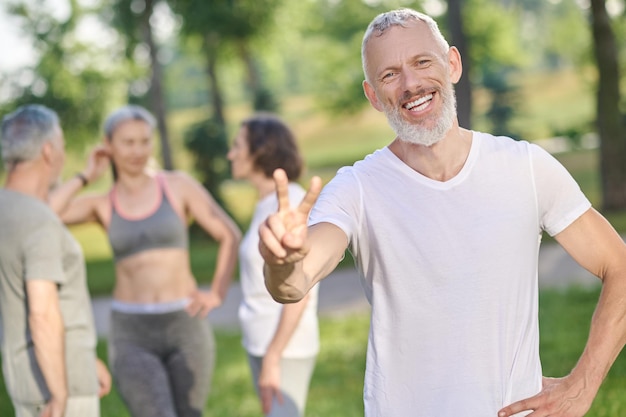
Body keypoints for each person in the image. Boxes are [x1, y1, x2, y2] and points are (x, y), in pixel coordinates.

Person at [258, 8, 626, 417]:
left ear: (452, 63)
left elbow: (620, 265)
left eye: (421, 61)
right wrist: (282, 261)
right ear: (374, 95)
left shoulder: (525, 166)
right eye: (389, 74)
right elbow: (294, 282)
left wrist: (584, 383)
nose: (411, 84)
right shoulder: (356, 188)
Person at [50, 105, 241, 417]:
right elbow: (46, 212)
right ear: (108, 145)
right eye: (128, 142)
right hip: (132, 330)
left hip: (185, 324)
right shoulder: (103, 204)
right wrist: (85, 176)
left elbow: (229, 234)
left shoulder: (177, 186)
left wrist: (217, 292)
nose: (138, 151)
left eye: (144, 141)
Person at [0, 104, 111, 417]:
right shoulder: (38, 221)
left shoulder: (7, 210)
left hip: (23, 379)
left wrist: (85, 359)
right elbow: (42, 311)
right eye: (61, 144)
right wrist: (60, 394)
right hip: (58, 389)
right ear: (48, 150)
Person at [227, 114, 319, 417]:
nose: (231, 153)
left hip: (284, 348)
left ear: (260, 150)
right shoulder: (265, 203)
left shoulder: (288, 203)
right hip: (262, 341)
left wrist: (273, 357)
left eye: (237, 145)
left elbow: (301, 289)